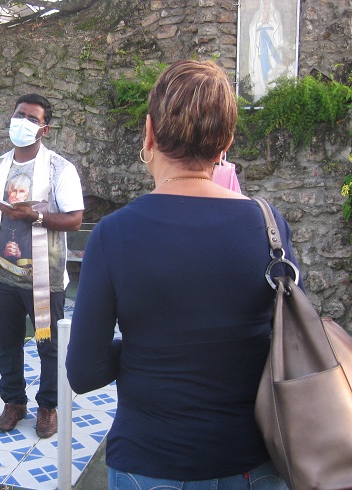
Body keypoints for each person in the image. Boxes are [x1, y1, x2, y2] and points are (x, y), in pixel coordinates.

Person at [66, 60, 301, 489]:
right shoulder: (270, 227)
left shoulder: (114, 234)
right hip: (253, 462)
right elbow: (285, 339)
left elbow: (84, 372)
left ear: (149, 132)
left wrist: (148, 349)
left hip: (149, 461)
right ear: (226, 142)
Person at [0, 93, 84, 438]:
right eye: (19, 115)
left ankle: (47, 406)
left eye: (33, 119)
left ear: (44, 129)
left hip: (45, 279)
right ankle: (14, 402)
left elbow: (75, 219)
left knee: (49, 347)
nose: (23, 123)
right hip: (2, 276)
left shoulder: (60, 169)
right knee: (8, 345)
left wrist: (34, 216)